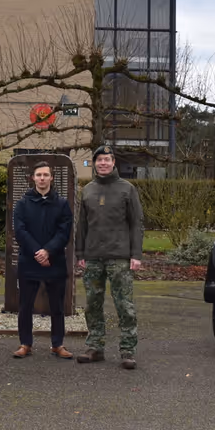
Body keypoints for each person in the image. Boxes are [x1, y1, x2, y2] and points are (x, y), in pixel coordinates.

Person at [74, 145, 143, 370]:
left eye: (107, 159)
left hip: (119, 257)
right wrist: (80, 253)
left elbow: (136, 224)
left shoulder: (127, 189)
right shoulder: (88, 190)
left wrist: (136, 254)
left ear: (114, 163)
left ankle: (128, 351)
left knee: (124, 305)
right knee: (92, 304)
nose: (103, 163)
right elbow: (82, 225)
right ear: (94, 163)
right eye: (99, 160)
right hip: (93, 256)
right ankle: (95, 347)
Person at [11, 162, 74, 360]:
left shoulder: (62, 204)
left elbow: (64, 232)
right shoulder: (22, 204)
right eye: (38, 175)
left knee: (57, 306)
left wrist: (48, 251)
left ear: (51, 178)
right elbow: (20, 231)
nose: (42, 178)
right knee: (25, 306)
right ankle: (25, 344)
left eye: (46, 175)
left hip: (54, 262)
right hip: (29, 261)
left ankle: (57, 344)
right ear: (33, 178)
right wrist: (37, 252)